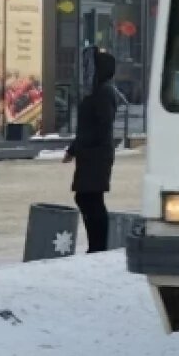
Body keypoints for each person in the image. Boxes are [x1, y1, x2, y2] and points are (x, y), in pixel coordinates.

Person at [63, 49, 118, 253]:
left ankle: (98, 246)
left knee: (89, 198)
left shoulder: (104, 92)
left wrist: (81, 146)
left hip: (97, 155)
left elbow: (102, 127)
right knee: (88, 198)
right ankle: (96, 245)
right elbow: (88, 127)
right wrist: (73, 149)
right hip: (90, 154)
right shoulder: (97, 91)